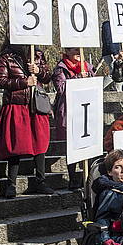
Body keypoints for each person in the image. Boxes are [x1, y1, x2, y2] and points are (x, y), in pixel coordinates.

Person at [0, 41, 53, 198]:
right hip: (17, 104)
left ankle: (40, 181)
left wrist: (39, 71)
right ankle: (11, 183)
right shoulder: (7, 56)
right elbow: (1, 80)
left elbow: (48, 77)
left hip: (36, 104)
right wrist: (23, 82)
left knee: (39, 142)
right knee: (16, 144)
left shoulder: (38, 54)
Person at [52, 47, 94, 190]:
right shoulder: (61, 68)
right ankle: (72, 178)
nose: (78, 53)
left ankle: (87, 177)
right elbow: (61, 88)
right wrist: (77, 79)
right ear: (67, 52)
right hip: (70, 110)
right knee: (72, 146)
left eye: (79, 50)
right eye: (74, 50)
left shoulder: (88, 67)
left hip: (86, 109)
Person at [100, 20, 123, 91]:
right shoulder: (108, 25)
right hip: (110, 53)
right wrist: (114, 53)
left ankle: (117, 89)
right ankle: (101, 89)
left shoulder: (115, 25)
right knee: (114, 72)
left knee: (116, 72)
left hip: (115, 52)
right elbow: (108, 40)